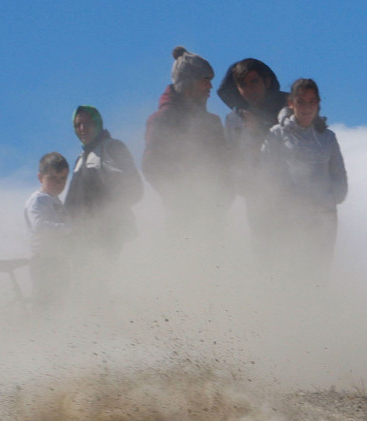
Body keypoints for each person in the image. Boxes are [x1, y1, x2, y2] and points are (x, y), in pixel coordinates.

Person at [142, 46, 233, 239]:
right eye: (205, 80)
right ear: (188, 83)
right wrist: (176, 196)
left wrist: (223, 197)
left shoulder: (212, 123)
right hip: (181, 216)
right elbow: (151, 165)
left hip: (214, 216)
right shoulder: (162, 120)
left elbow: (225, 166)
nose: (210, 87)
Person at [261, 78, 348, 275]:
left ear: (318, 104)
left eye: (312, 102)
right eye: (301, 102)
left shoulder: (328, 138)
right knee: (289, 271)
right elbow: (266, 174)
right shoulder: (277, 134)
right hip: (288, 217)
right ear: (291, 103)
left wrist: (326, 200)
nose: (307, 107)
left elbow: (340, 179)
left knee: (319, 271)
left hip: (323, 219)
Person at [216, 58, 289, 255]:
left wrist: (261, 128)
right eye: (242, 85)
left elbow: (304, 143)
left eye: (254, 82)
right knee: (264, 253)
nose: (250, 89)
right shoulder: (234, 118)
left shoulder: (291, 107)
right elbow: (233, 156)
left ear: (266, 81)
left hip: (294, 196)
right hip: (257, 197)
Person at [64, 105, 144, 261]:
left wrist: (108, 217)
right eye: (77, 125)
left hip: (107, 238)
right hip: (82, 241)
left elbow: (134, 189)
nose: (82, 129)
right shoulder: (81, 159)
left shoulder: (112, 147)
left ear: (97, 123)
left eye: (87, 124)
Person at [23, 152, 71, 306]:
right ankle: (37, 327)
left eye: (63, 179)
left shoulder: (55, 201)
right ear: (40, 178)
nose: (59, 183)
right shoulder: (37, 200)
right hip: (43, 261)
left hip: (57, 259)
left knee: (59, 301)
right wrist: (69, 229)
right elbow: (39, 226)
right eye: (53, 179)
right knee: (45, 302)